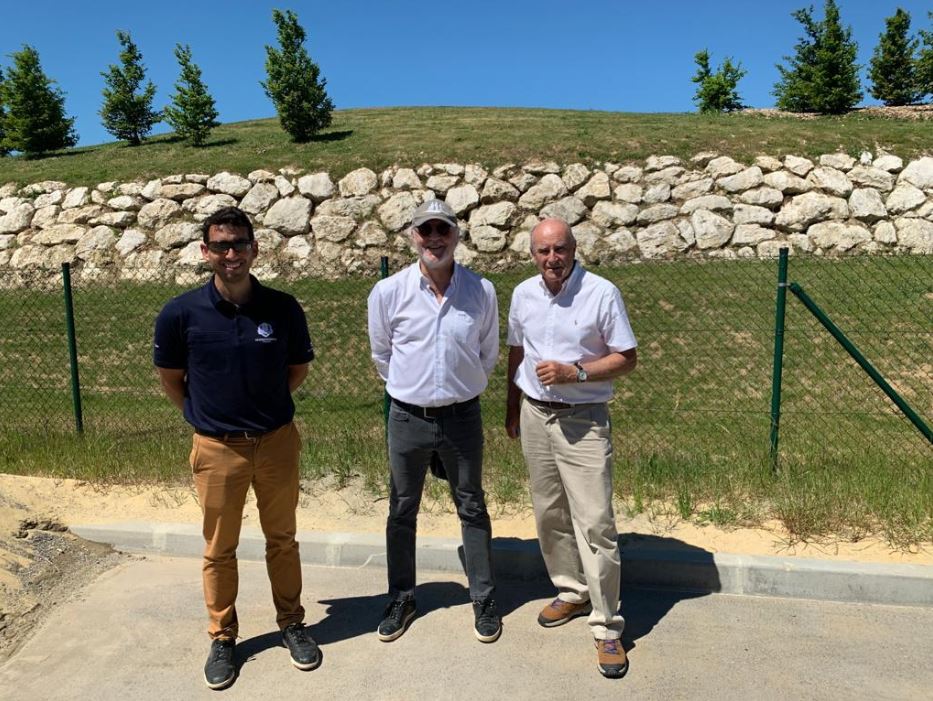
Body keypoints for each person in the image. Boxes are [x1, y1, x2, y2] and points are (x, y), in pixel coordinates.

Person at [153, 206, 318, 690]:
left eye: (239, 244)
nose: (231, 254)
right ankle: (223, 636)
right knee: (219, 548)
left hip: (276, 443)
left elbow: (297, 370)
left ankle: (292, 623)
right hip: (217, 449)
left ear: (254, 249)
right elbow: (171, 379)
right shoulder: (180, 313)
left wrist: (265, 409)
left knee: (282, 539)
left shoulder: (283, 308)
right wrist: (204, 418)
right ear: (205, 252)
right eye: (221, 245)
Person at [505, 218, 638, 679]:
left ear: (574, 249)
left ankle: (607, 626)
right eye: (543, 251)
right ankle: (572, 590)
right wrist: (511, 408)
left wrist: (575, 373)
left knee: (596, 522)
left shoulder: (601, 293)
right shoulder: (523, 294)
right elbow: (517, 352)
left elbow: (627, 358)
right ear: (532, 255)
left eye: (559, 249)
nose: (552, 259)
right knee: (550, 513)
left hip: (583, 420)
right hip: (535, 415)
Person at [367, 198, 501, 644]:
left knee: (472, 505)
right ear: (413, 236)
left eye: (443, 229)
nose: (435, 238)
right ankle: (402, 597)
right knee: (402, 508)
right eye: (426, 230)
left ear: (457, 235)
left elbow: (487, 353)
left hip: (463, 417)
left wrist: (459, 388)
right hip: (408, 418)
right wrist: (416, 389)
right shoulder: (388, 293)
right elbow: (382, 355)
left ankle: (483, 597)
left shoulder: (481, 291)